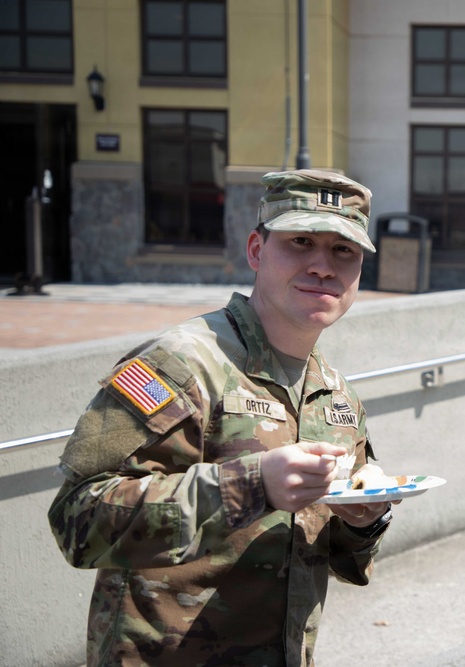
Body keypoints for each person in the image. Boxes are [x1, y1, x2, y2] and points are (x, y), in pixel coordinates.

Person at [48, 170, 394, 665]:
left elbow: (341, 558)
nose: (323, 266)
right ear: (256, 251)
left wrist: (365, 519)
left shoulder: (336, 396)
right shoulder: (182, 365)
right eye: (300, 241)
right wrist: (251, 486)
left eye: (344, 250)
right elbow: (77, 518)